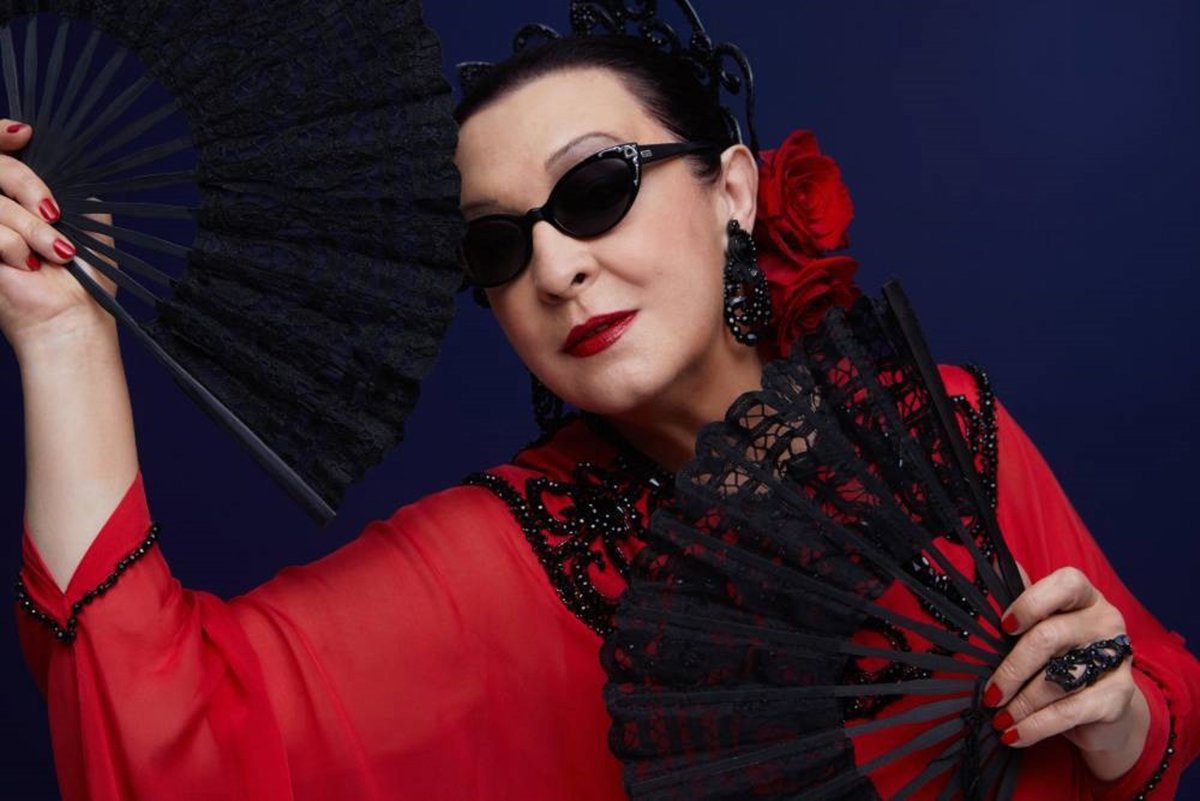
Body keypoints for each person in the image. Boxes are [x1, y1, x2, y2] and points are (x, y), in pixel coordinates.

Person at [2, 16, 1198, 801]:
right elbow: (163, 737)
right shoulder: (498, 565)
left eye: (594, 189)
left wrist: (1118, 724)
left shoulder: (939, 427)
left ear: (733, 189)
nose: (554, 268)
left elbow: (1157, 698)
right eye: (495, 246)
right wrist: (62, 340)